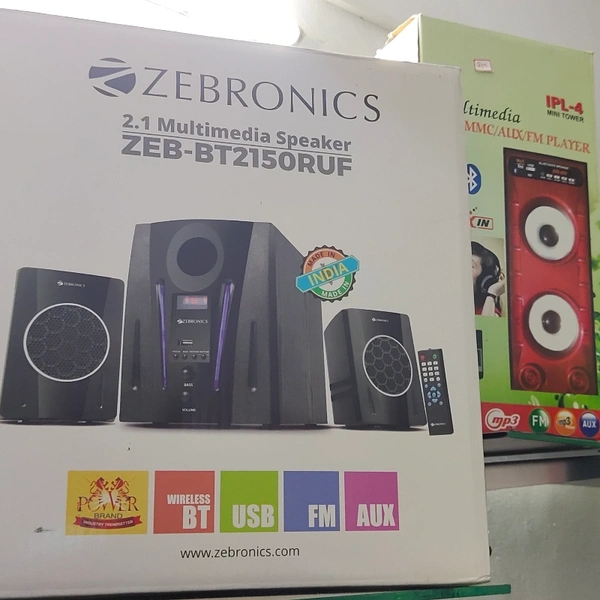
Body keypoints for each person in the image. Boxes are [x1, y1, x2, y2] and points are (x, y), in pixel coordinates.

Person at [472, 241, 505, 317]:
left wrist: (492, 294)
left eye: (471, 266)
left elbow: (486, 324)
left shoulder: (490, 311)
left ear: (484, 280)